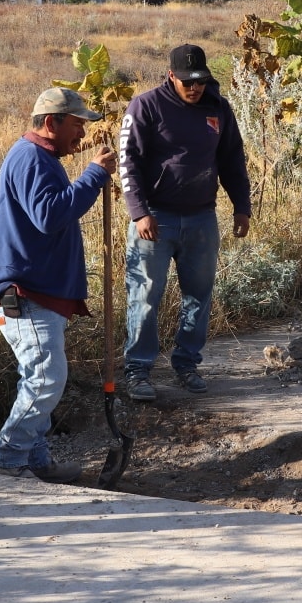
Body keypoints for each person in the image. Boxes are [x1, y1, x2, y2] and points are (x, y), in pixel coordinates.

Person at [0, 87, 118, 481]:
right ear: (50, 123)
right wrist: (94, 175)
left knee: (38, 377)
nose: (82, 134)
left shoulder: (40, 158)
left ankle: (37, 461)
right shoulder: (30, 159)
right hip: (25, 293)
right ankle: (8, 459)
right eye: (76, 125)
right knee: (46, 378)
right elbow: (48, 215)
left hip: (37, 291)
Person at [118, 43, 251, 401]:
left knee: (199, 294)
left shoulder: (218, 108)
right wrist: (139, 212)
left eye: (200, 82)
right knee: (145, 295)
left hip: (201, 217)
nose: (194, 89)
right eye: (187, 82)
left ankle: (187, 363)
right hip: (155, 219)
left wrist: (242, 206)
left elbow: (232, 160)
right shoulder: (145, 106)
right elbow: (127, 162)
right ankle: (138, 370)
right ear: (171, 75)